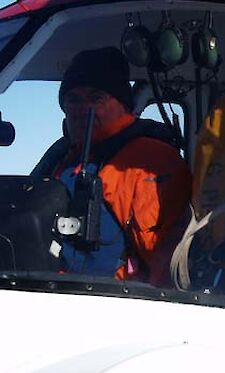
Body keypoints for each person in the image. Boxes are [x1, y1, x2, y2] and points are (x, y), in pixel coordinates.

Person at [36, 47, 191, 286]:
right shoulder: (63, 158)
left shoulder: (149, 162)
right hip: (48, 294)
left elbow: (168, 270)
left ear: (122, 103)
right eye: (72, 100)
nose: (81, 109)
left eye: (95, 98)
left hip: (112, 308)